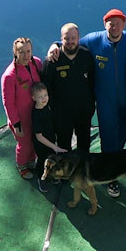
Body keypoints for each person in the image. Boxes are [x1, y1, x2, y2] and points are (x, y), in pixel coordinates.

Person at [47, 8, 126, 198]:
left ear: (124, 25)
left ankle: (125, 169)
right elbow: (70, 41)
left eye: (118, 23)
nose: (114, 27)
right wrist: (54, 44)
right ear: (104, 24)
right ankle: (112, 180)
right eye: (110, 23)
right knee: (108, 142)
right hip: (105, 102)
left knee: (121, 139)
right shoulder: (94, 40)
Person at [42, 23, 96, 153]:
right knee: (63, 145)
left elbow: (93, 82)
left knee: (84, 144)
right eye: (67, 38)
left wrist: (91, 105)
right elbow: (46, 86)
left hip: (83, 111)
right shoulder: (52, 60)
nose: (70, 41)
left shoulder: (86, 55)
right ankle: (65, 172)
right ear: (61, 38)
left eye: (73, 38)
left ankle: (83, 171)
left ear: (78, 37)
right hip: (61, 114)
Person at [0, 37, 43, 179]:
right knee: (24, 144)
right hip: (21, 118)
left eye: (28, 51)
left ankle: (31, 161)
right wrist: (16, 123)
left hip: (35, 113)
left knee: (34, 140)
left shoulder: (36, 63)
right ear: (15, 53)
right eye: (22, 52)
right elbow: (8, 103)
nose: (26, 56)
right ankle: (22, 165)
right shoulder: (9, 76)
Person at [30, 83, 68, 192]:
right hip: (41, 144)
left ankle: (51, 176)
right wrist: (55, 147)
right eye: (40, 97)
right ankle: (41, 179)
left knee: (51, 159)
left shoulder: (47, 107)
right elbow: (39, 137)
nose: (44, 99)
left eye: (45, 95)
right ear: (34, 98)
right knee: (43, 161)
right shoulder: (36, 114)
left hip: (50, 139)